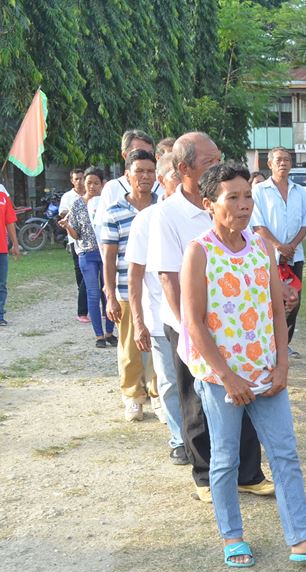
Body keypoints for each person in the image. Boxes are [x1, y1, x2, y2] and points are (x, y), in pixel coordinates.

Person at [181, 162, 306, 569]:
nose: (243, 206)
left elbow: (276, 310)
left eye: (247, 197)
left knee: (285, 454)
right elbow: (194, 322)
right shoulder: (198, 251)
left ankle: (301, 540)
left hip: (267, 374)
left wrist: (282, 365)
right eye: (232, 198)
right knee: (225, 459)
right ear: (209, 204)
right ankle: (232, 537)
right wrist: (228, 376)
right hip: (222, 380)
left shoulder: (261, 246)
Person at [147, 132, 271, 502]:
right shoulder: (167, 214)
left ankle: (247, 473)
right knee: (197, 401)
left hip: (237, 324)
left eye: (219, 157)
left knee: (244, 393)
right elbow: (168, 277)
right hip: (188, 324)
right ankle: (204, 475)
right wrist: (192, 328)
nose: (217, 166)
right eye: (208, 162)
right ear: (183, 168)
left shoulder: (230, 198)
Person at [125, 152, 188, 464]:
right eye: (173, 178)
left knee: (200, 384)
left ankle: (200, 439)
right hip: (160, 318)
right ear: (163, 181)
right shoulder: (147, 220)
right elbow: (134, 276)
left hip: (198, 317)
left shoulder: (202, 214)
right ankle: (179, 439)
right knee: (169, 382)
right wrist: (138, 323)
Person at [101, 149, 160, 422]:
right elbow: (109, 258)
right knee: (129, 348)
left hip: (159, 293)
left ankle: (159, 395)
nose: (145, 176)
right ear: (127, 175)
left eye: (150, 171)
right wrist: (110, 294)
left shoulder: (164, 208)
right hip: (126, 291)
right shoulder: (114, 213)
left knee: (161, 347)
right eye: (139, 171)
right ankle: (133, 397)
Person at [250, 147, 306, 358]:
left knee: (293, 300)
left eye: (287, 159)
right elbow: (257, 225)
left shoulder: (300, 191)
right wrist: (278, 246)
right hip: (268, 256)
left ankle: (284, 345)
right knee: (269, 300)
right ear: (270, 164)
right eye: (278, 160)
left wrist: (291, 246)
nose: (283, 163)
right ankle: (268, 344)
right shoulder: (259, 191)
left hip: (295, 256)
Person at [65, 168, 113, 347]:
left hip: (107, 252)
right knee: (93, 293)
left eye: (96, 183)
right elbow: (76, 234)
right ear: (83, 184)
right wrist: (68, 227)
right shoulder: (77, 205)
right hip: (86, 253)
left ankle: (110, 332)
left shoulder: (107, 203)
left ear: (102, 184)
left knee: (108, 291)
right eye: (89, 183)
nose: (92, 186)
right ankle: (99, 335)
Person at [94, 130, 161, 234]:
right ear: (125, 155)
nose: (145, 157)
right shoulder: (113, 187)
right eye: (139, 152)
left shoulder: (162, 185)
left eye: (150, 153)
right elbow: (100, 228)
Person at [58, 168, 88, 322]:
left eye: (82, 178)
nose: (80, 181)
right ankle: (84, 301)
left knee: (91, 273)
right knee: (80, 272)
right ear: (72, 180)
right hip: (74, 239)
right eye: (76, 179)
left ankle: (87, 304)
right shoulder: (68, 197)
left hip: (90, 241)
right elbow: (62, 213)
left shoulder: (91, 194)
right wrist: (71, 212)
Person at [0, 181, 22, 326]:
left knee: (1, 284)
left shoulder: (2, 195)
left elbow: (10, 222)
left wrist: (15, 244)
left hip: (1, 248)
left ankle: (0, 315)